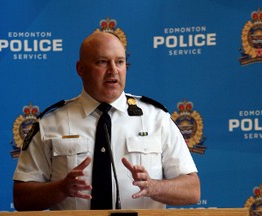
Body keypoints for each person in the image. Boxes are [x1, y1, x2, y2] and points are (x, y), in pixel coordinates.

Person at [13, 31, 200, 211]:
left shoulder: (156, 119)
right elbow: (21, 198)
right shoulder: (50, 123)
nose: (113, 71)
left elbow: (192, 190)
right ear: (81, 69)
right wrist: (61, 189)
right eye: (102, 62)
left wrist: (154, 187)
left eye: (120, 62)